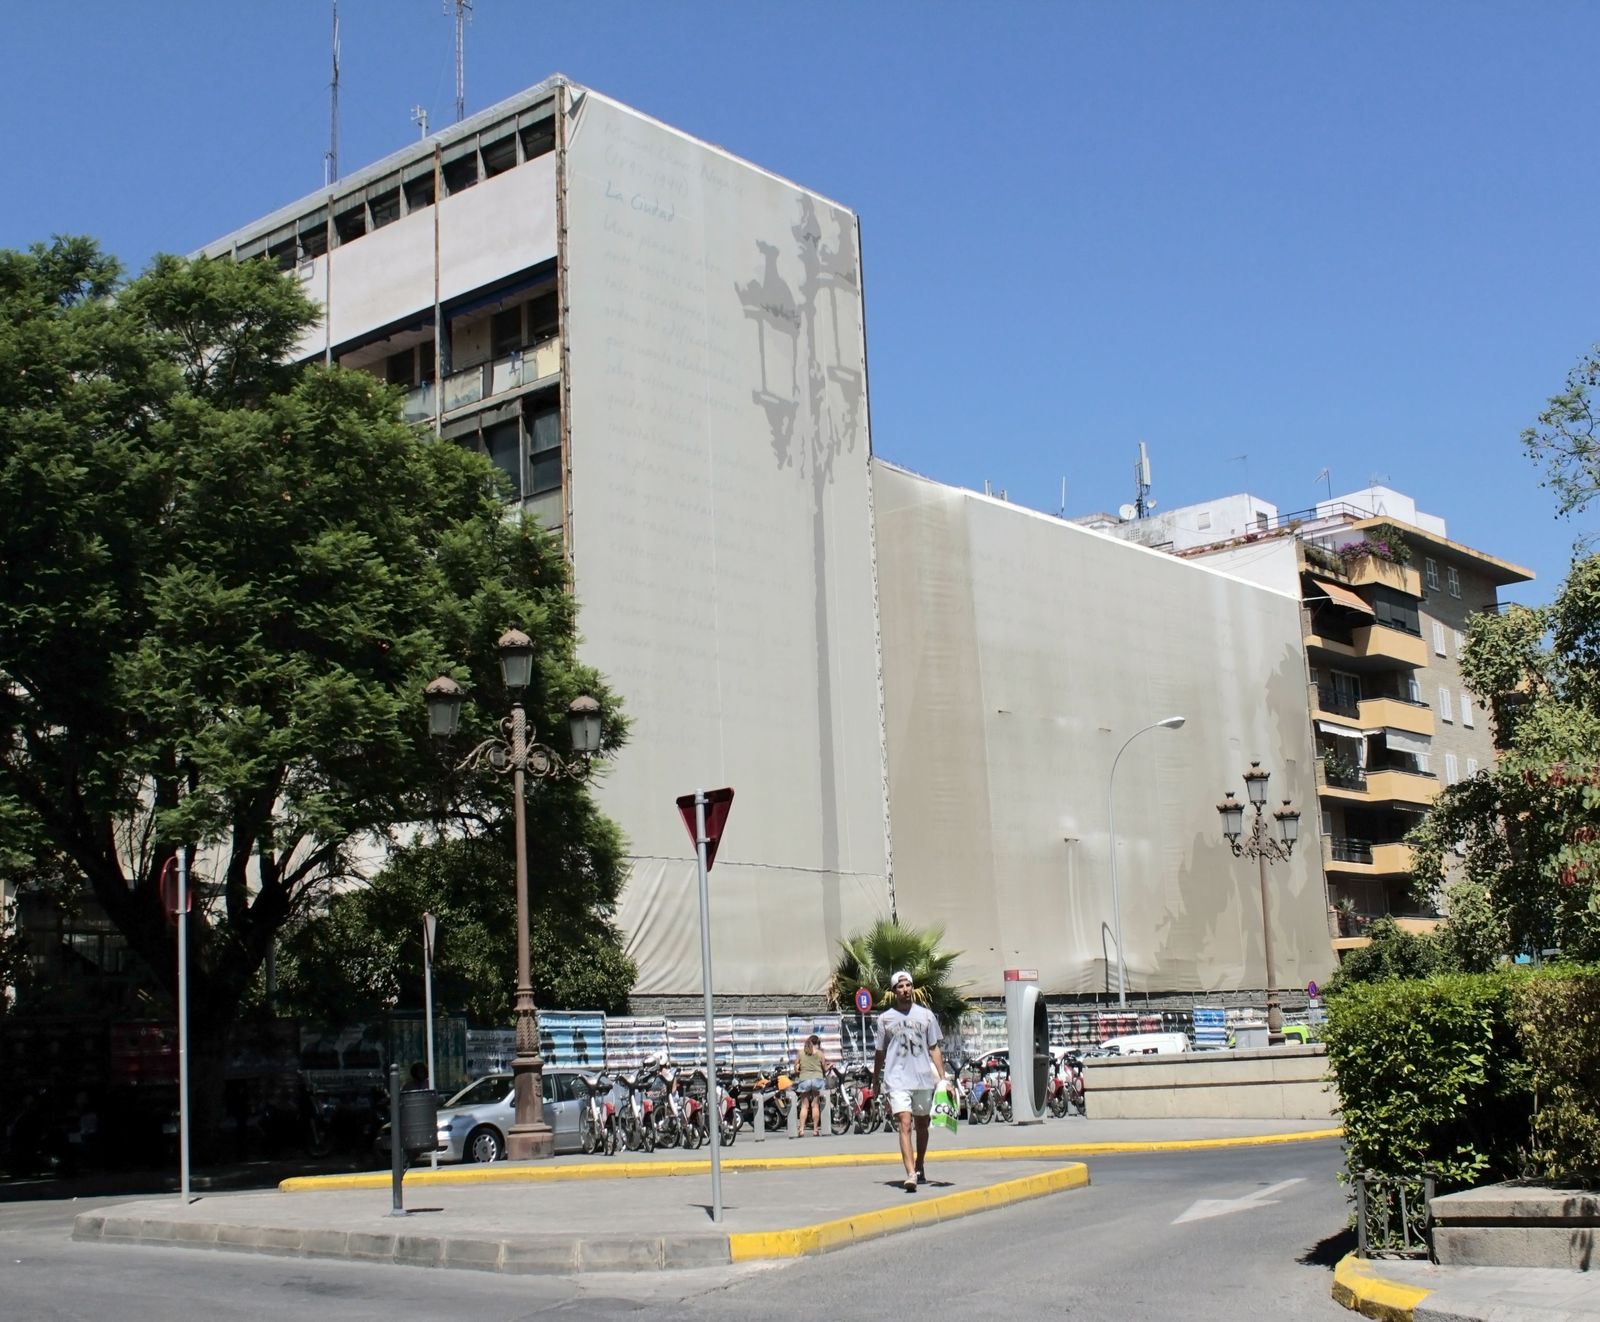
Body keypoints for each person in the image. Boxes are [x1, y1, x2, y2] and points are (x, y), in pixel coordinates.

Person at [872, 969, 948, 1192]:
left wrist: (943, 1079)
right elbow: (880, 1051)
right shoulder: (885, 1019)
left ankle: (920, 1164)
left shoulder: (926, 1015)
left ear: (912, 988)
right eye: (900, 987)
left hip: (922, 1077)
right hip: (897, 1078)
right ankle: (910, 1173)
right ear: (894, 991)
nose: (905, 990)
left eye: (908, 986)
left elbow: (934, 1047)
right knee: (904, 1123)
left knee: (921, 1125)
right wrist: (875, 1078)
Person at [793, 1033, 829, 1137]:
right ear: (817, 1044)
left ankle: (801, 1130)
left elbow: (795, 1067)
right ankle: (815, 1130)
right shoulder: (820, 1053)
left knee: (804, 1106)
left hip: (804, 1079)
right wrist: (830, 1066)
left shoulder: (801, 1053)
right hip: (817, 1079)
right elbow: (824, 1069)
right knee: (815, 1105)